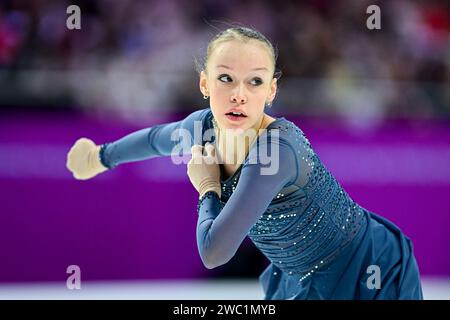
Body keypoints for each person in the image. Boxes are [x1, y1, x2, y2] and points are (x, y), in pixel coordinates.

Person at [66, 26, 423, 300]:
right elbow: (155, 139)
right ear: (205, 83)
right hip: (298, 275)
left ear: (271, 91)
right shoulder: (202, 127)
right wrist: (101, 156)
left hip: (366, 269)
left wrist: (207, 187)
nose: (239, 93)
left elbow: (214, 251)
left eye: (255, 81)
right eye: (226, 78)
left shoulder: (276, 152)